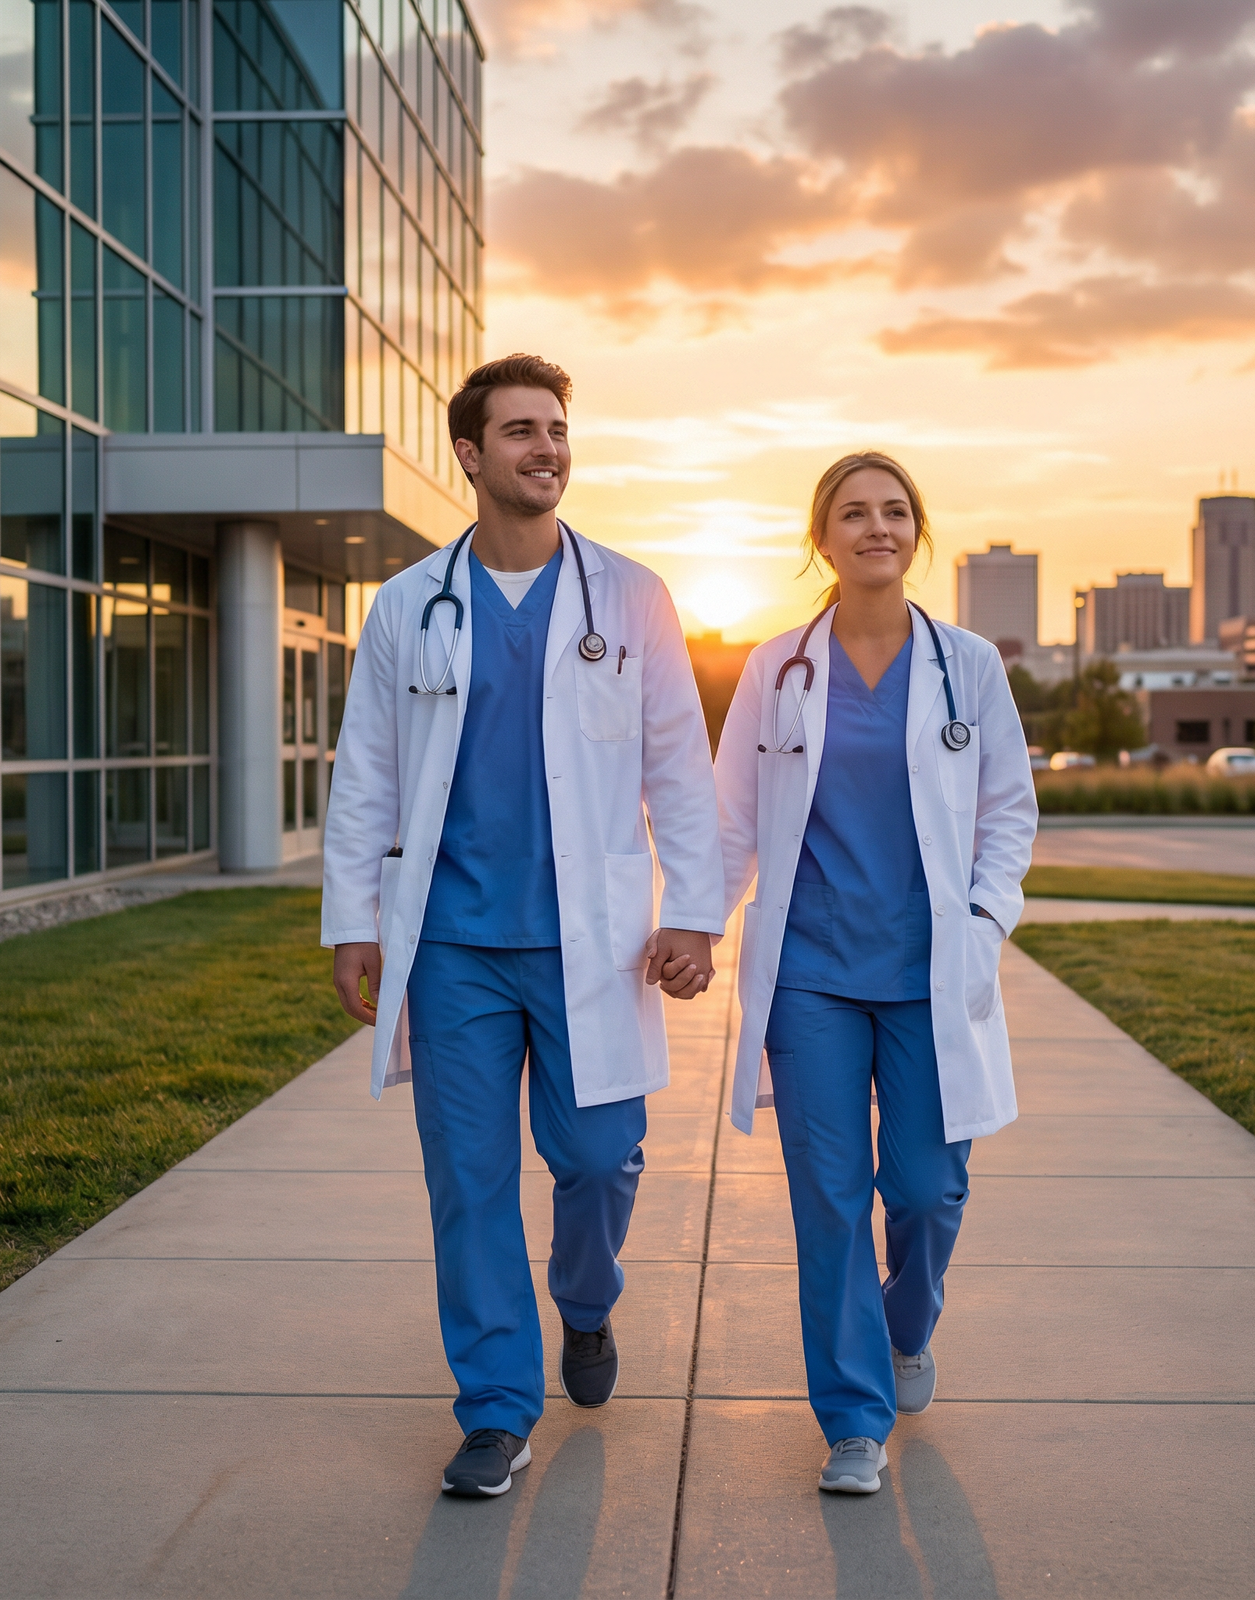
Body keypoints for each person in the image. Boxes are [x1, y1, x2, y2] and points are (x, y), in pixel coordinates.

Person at [322, 354, 724, 1498]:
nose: (546, 448)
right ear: (470, 453)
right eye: (520, 431)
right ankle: (496, 1408)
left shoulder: (631, 597)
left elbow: (678, 771)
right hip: (451, 945)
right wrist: (355, 917)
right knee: (470, 1180)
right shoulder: (409, 605)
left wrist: (693, 912)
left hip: (591, 940)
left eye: (557, 429)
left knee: (599, 1160)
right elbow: (368, 773)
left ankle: (586, 1303)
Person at [714, 452, 1037, 1494]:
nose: (876, 526)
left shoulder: (968, 666)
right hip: (809, 972)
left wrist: (987, 920)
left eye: (895, 511)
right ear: (822, 538)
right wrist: (691, 924)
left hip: (931, 970)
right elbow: (730, 818)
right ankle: (853, 1419)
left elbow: (1006, 812)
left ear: (917, 532)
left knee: (930, 1188)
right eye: (853, 513)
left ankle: (906, 1326)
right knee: (829, 1196)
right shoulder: (776, 668)